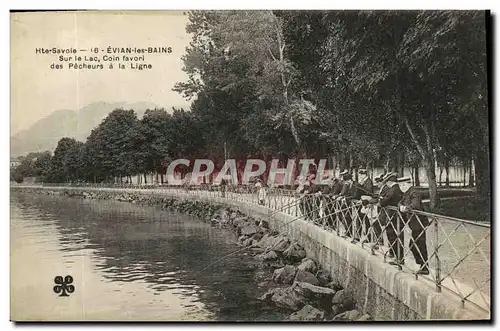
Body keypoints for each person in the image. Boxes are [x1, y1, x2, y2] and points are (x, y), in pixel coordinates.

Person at [397, 176, 430, 275]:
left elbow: (415, 206)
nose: (402, 187)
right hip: (414, 223)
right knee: (415, 245)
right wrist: (401, 207)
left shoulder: (414, 193)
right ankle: (422, 265)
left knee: (419, 245)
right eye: (400, 185)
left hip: (419, 223)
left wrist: (405, 208)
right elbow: (399, 203)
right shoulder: (406, 193)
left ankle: (424, 267)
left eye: (403, 185)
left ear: (409, 184)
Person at [378, 172, 404, 265]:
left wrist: (381, 200)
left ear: (389, 181)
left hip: (394, 216)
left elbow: (384, 201)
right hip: (393, 216)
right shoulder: (395, 189)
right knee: (393, 235)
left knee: (394, 236)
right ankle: (395, 255)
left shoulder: (393, 190)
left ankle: (398, 257)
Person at [353, 168, 374, 241]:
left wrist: (363, 199)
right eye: (360, 175)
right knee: (360, 219)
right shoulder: (364, 182)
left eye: (361, 175)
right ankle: (359, 235)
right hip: (362, 203)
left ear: (365, 174)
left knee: (367, 221)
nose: (360, 176)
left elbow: (368, 193)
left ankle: (368, 237)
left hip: (366, 204)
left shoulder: (368, 182)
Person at [337, 171, 358, 239]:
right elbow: (348, 194)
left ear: (349, 180)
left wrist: (345, 198)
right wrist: (343, 197)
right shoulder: (349, 185)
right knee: (341, 215)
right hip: (349, 204)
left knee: (349, 218)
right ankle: (348, 231)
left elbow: (355, 195)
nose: (346, 183)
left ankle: (351, 234)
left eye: (346, 181)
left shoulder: (356, 185)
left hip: (355, 205)